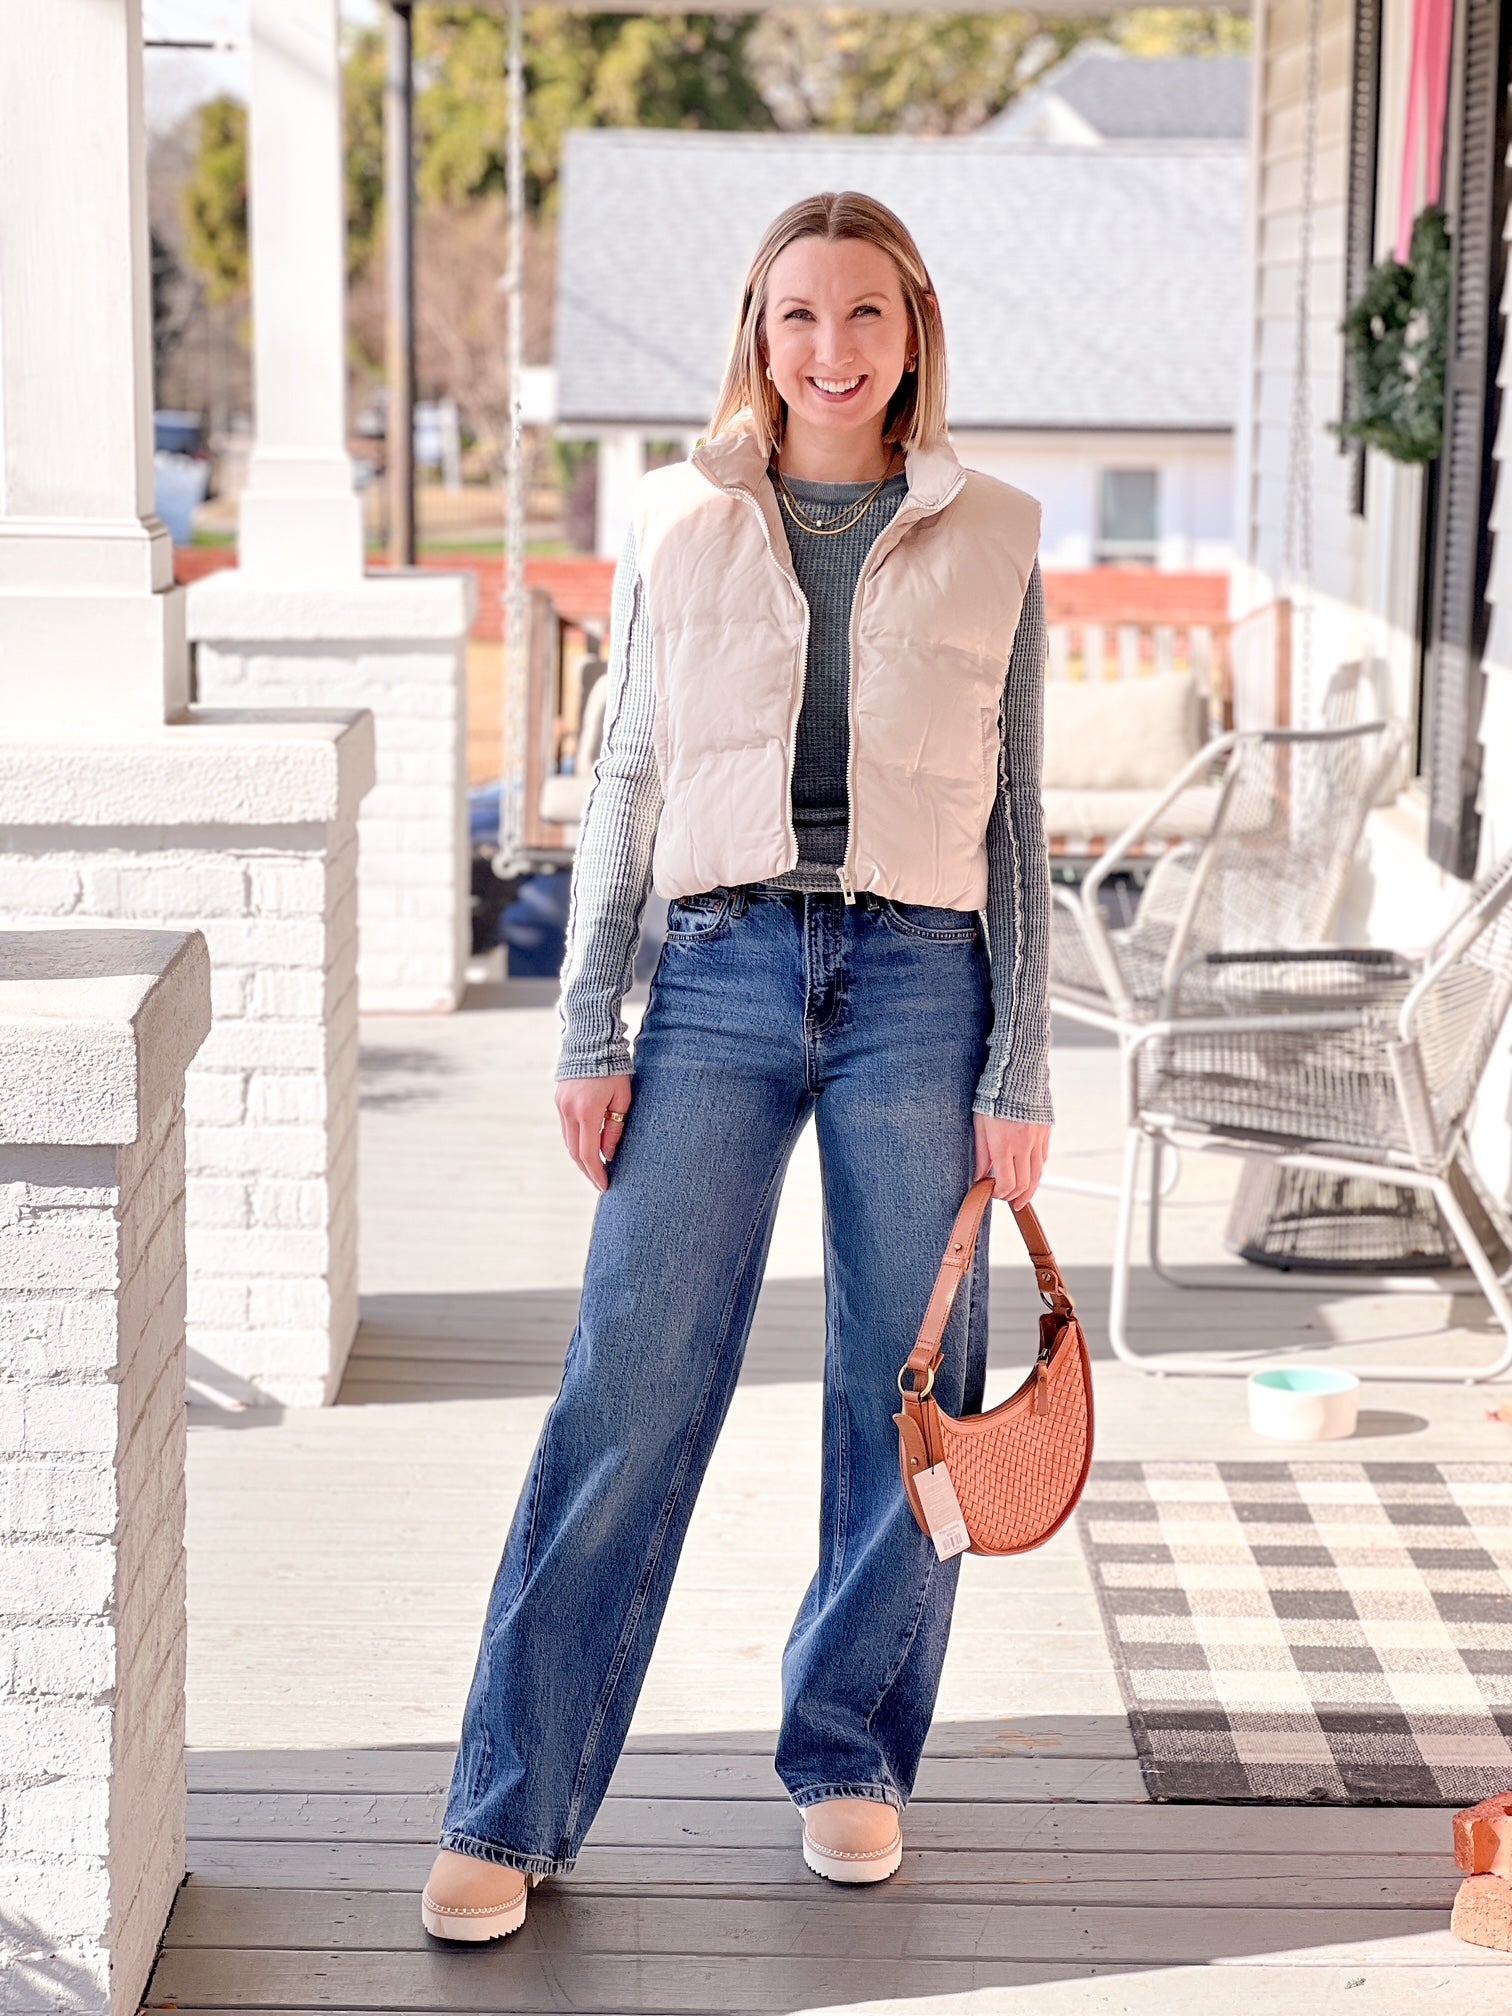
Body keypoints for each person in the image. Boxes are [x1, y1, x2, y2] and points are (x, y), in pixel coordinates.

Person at [421, 189, 1053, 1943]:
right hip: (713, 974)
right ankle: (510, 1802)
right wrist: (585, 1019)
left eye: (866, 315)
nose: (832, 350)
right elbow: (622, 779)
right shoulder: (676, 526)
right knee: (627, 1384)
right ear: (756, 333)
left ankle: (851, 1753)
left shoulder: (996, 528)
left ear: (912, 329)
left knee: (904, 1388)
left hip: (928, 983)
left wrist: (1024, 1063)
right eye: (798, 317)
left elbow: (1021, 823)